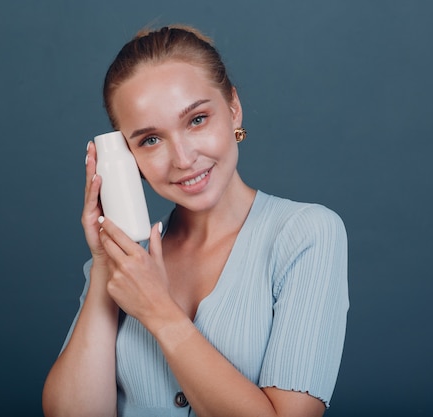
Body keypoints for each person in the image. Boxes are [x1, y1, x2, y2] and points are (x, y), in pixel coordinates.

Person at [42, 25, 349, 417]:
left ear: (233, 108)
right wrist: (106, 264)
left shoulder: (306, 235)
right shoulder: (124, 262)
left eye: (197, 120)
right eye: (150, 140)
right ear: (124, 156)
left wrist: (159, 312)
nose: (183, 159)